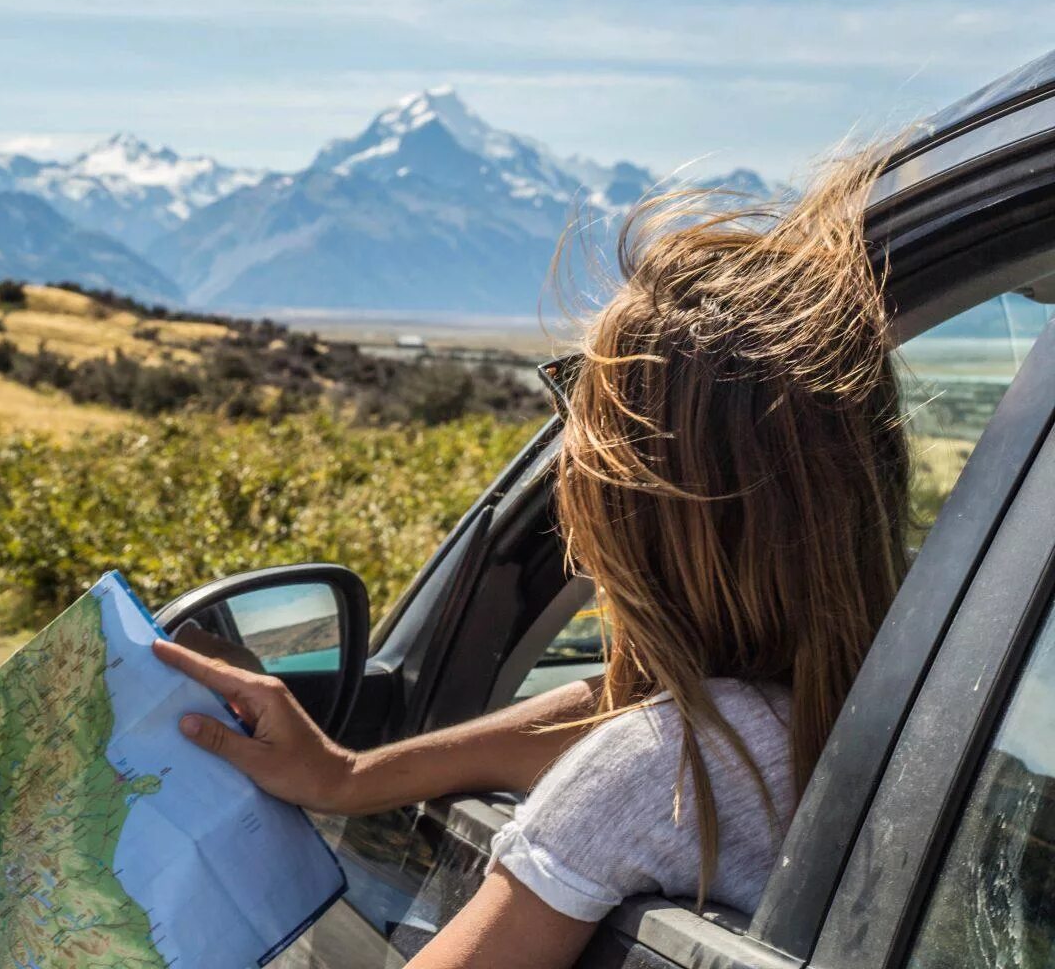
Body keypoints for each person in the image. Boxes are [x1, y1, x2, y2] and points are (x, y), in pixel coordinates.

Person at [155, 148, 911, 969]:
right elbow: (616, 715)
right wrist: (347, 777)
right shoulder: (880, 713)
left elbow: (642, 748)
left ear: (628, 510)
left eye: (577, 429)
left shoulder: (659, 772)